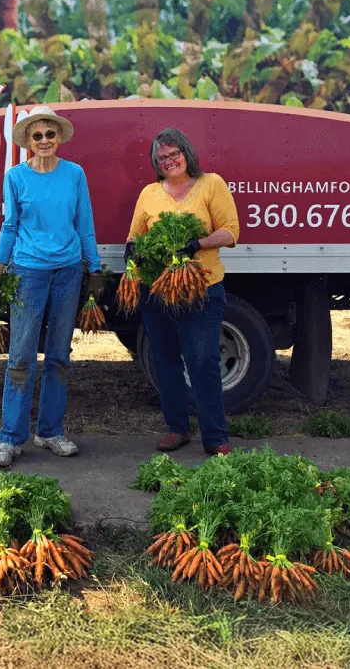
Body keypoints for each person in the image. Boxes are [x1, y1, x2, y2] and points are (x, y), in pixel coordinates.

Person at [0, 105, 102, 467]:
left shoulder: (75, 174)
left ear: (59, 137)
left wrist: (94, 269)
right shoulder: (16, 177)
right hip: (29, 273)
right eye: (37, 135)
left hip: (67, 272)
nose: (45, 140)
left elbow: (85, 222)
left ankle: (50, 431)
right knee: (20, 358)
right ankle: (9, 438)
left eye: (50, 134)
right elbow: (9, 226)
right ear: (28, 141)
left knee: (59, 358)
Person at [126, 127, 239, 456]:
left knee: (202, 360)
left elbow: (231, 231)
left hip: (200, 287)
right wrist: (132, 251)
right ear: (155, 164)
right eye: (161, 158)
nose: (169, 161)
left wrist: (197, 244)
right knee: (165, 360)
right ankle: (177, 428)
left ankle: (215, 436)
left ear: (187, 153)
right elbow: (135, 234)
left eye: (174, 154)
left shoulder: (210, 184)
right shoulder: (149, 193)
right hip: (158, 289)